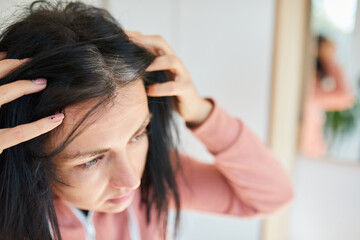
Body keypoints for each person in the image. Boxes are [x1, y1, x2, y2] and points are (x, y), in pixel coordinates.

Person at [0, 1, 293, 240]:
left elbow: (271, 196)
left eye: (138, 135)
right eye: (91, 160)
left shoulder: (153, 182)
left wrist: (202, 114)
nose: (131, 180)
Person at [300, 35, 355, 158]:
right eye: (331, 51)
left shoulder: (313, 85)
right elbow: (345, 97)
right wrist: (328, 59)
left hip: (310, 154)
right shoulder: (309, 85)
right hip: (306, 154)